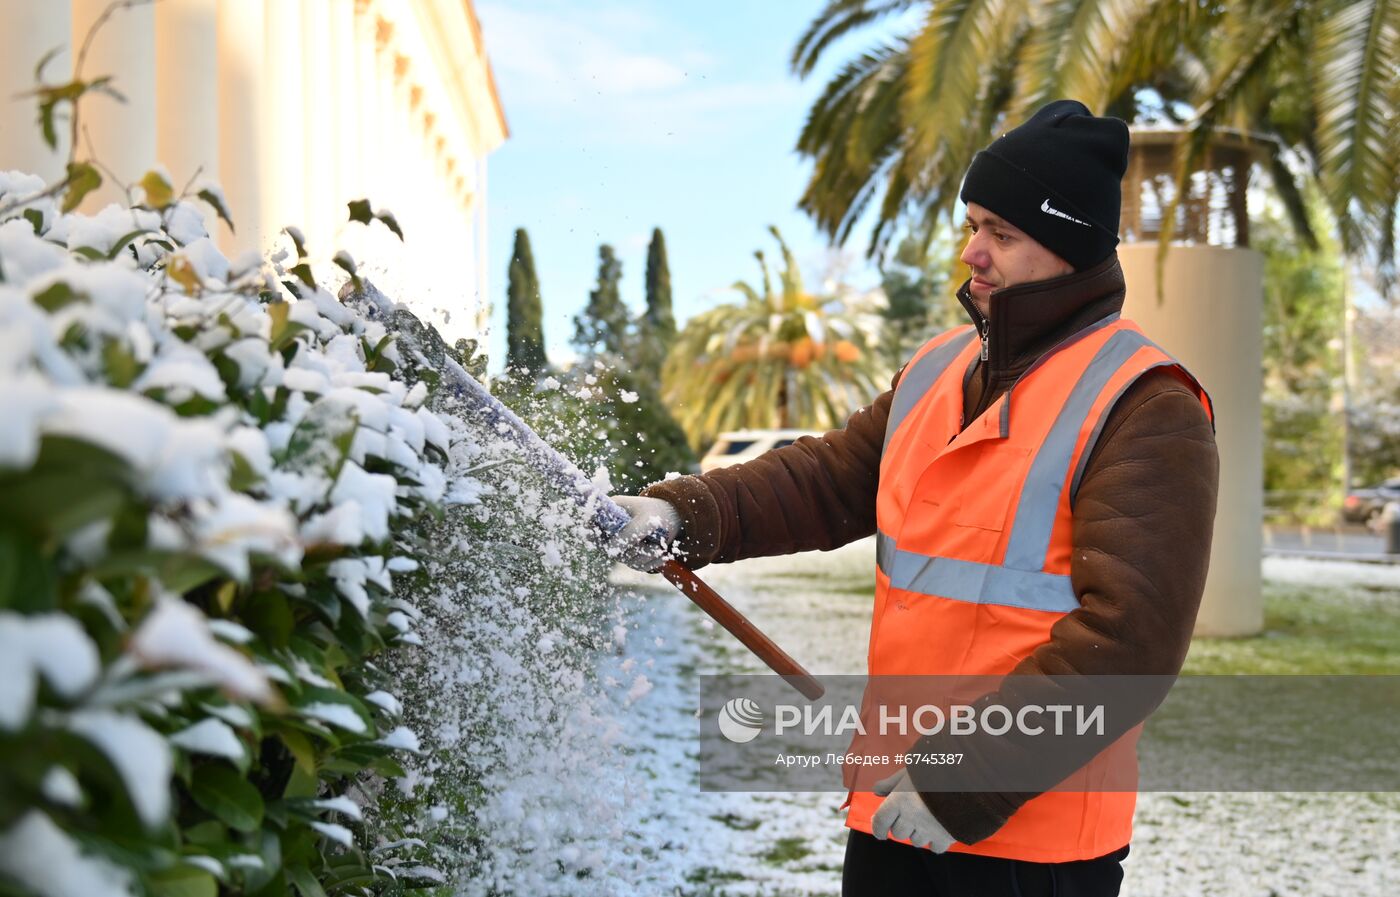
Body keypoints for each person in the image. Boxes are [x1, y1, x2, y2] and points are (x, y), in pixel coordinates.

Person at [614, 100, 1219, 897]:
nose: (973, 251)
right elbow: (826, 479)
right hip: (894, 811)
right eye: (973, 223)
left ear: (1069, 246)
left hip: (1023, 846)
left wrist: (961, 784)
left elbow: (1128, 644)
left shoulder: (1144, 404)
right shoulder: (936, 369)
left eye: (1002, 232)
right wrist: (684, 515)